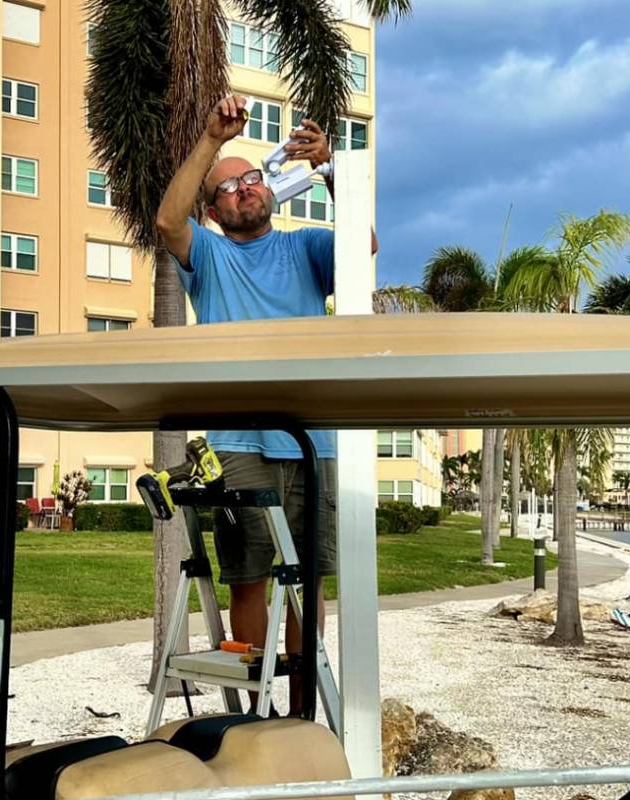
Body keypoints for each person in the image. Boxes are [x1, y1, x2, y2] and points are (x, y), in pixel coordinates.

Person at [154, 94, 376, 713]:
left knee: (309, 577)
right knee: (247, 573)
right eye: (229, 187)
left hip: (312, 439)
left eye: (252, 179)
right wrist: (211, 142)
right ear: (215, 209)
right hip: (236, 442)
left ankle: (304, 708)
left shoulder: (305, 247)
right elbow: (168, 222)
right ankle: (254, 714)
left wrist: (332, 169)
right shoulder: (210, 255)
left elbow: (364, 249)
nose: (244, 189)